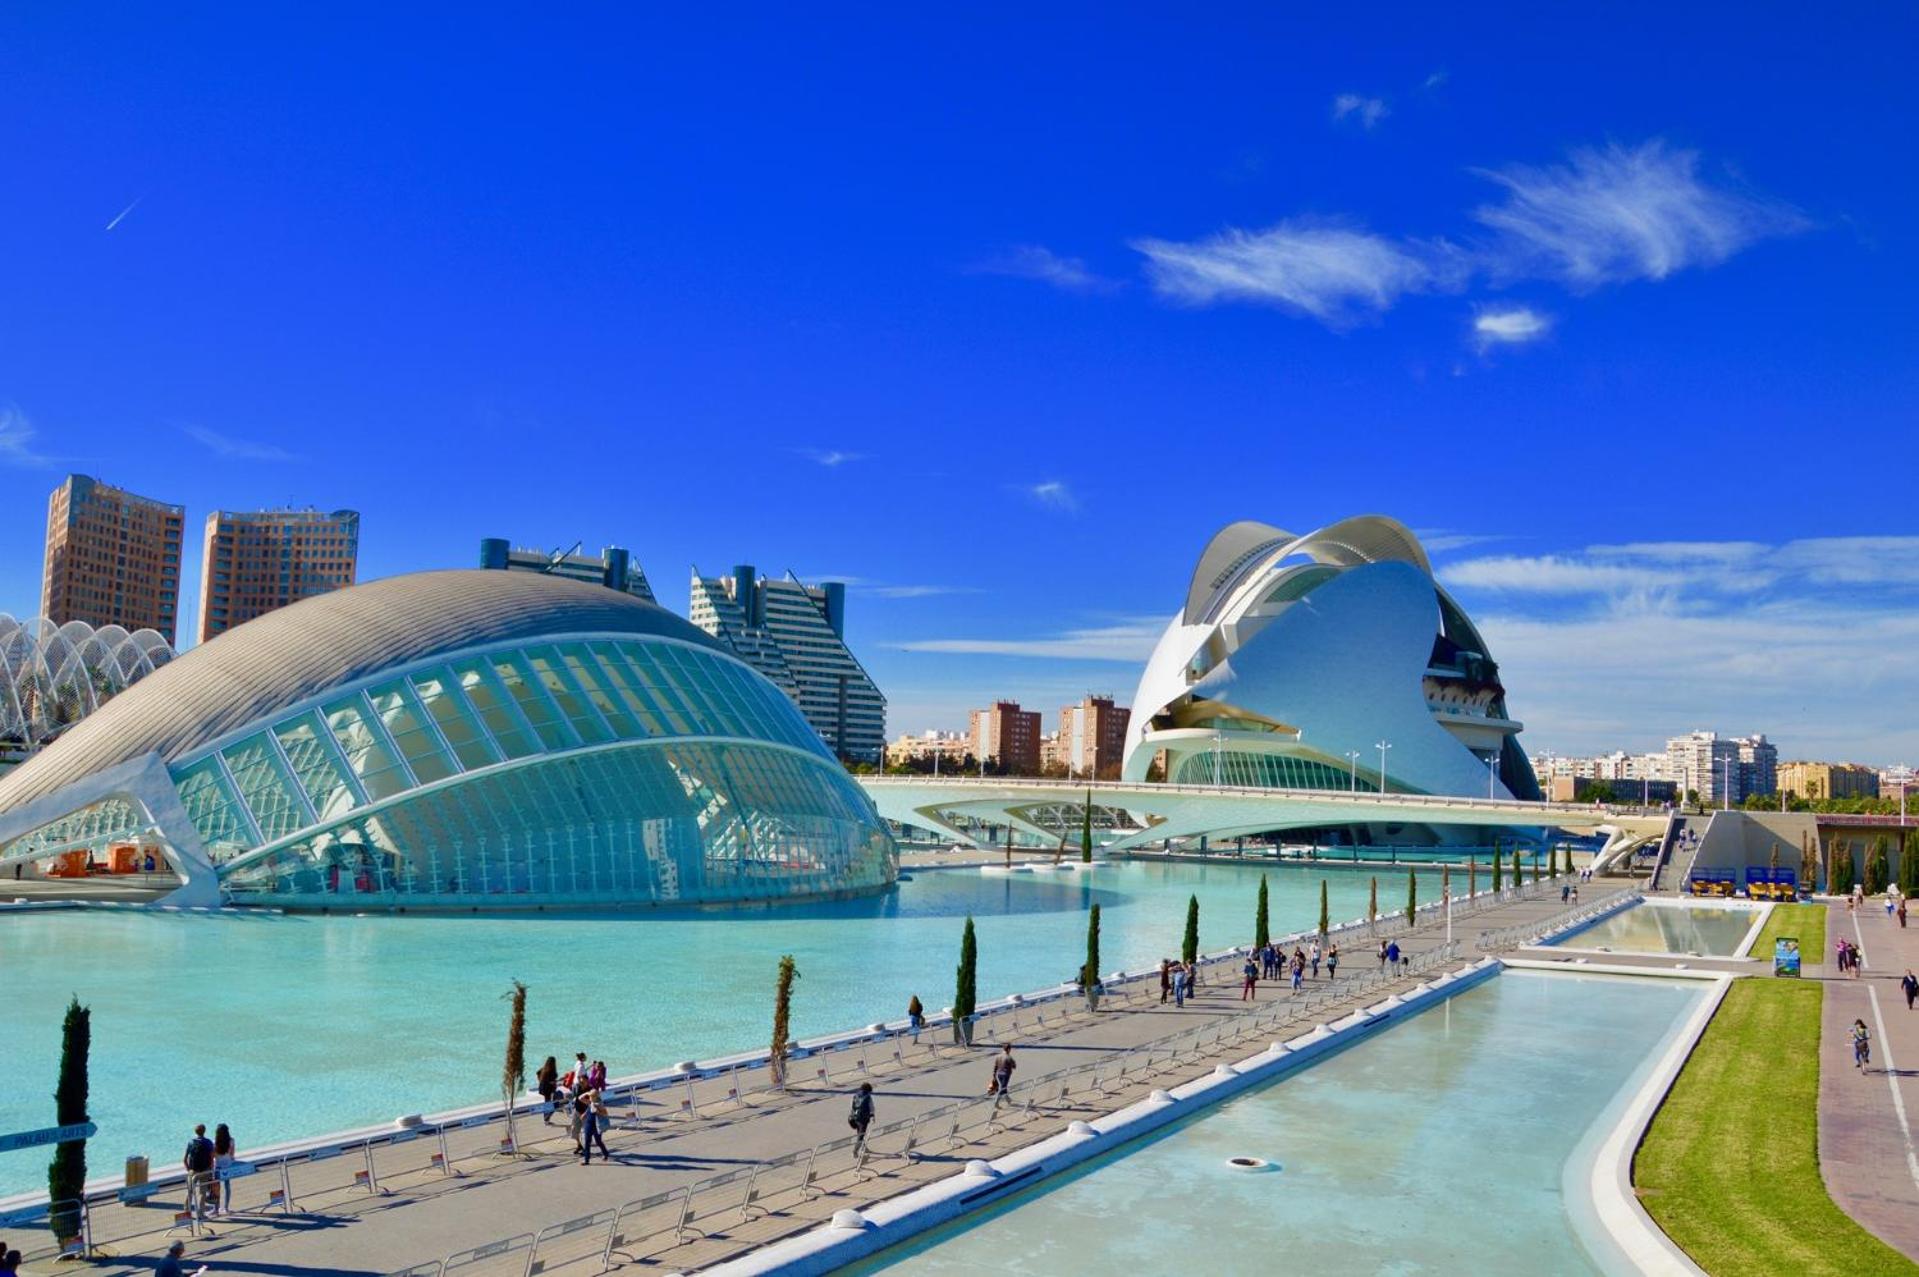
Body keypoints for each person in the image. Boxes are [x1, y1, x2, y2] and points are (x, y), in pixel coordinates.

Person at [182, 1124, 215, 1221]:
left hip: (193, 1170)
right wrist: (211, 1170)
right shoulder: (208, 1142)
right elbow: (211, 1158)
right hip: (204, 1170)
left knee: (190, 1191)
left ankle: (186, 1213)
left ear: (195, 1132)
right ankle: (200, 1214)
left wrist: (189, 1169)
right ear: (204, 1131)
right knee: (202, 1193)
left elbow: (185, 1159)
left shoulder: (191, 1142)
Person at [578, 1089, 611, 1164]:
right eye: (590, 1096)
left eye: (593, 1096)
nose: (591, 1097)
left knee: (598, 1142)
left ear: (597, 1096)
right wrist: (587, 1093)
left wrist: (598, 1112)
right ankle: (586, 1160)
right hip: (589, 1123)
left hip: (597, 1125)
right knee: (587, 1141)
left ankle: (606, 1154)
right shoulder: (591, 1102)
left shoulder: (599, 1104)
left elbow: (605, 1114)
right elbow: (580, 1098)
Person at [212, 1123, 236, 1214]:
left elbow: (214, 1156)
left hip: (218, 1166)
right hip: (228, 1166)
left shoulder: (215, 1142)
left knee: (216, 1188)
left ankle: (216, 1208)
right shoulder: (231, 1140)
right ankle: (226, 1207)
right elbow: (232, 1154)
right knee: (227, 1186)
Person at [848, 1082, 876, 1152]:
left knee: (859, 1133)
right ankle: (855, 1151)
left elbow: (852, 1106)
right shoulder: (868, 1097)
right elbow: (872, 1107)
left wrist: (852, 1115)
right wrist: (872, 1116)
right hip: (863, 1118)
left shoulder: (855, 1095)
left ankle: (864, 1149)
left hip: (855, 1117)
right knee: (861, 1135)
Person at [536, 1056, 560, 1123]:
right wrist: (553, 1082)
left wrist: (540, 1080)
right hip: (548, 1089)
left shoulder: (544, 1069)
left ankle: (546, 1118)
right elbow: (552, 1081)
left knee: (547, 1102)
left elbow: (537, 1073)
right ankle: (546, 1118)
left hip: (543, 1088)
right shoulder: (552, 1071)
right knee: (553, 1104)